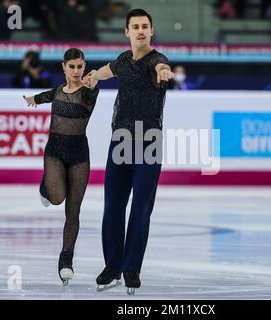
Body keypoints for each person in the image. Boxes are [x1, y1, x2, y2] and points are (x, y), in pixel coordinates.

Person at [82, 8, 174, 295]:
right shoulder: (123, 60)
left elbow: (160, 68)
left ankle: (131, 268)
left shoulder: (157, 60)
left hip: (148, 141)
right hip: (120, 141)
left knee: (141, 207)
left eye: (145, 26)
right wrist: (93, 76)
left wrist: (164, 72)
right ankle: (112, 266)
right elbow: (107, 70)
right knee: (112, 206)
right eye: (135, 26)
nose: (141, 31)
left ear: (151, 30)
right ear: (127, 32)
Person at [22, 48, 99, 285]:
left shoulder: (90, 91)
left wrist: (93, 79)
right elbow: (48, 95)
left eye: (80, 66)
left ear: (84, 67)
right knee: (56, 197)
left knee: (73, 211)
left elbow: (88, 93)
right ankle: (45, 189)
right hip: (54, 151)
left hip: (79, 155)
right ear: (64, 67)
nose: (77, 71)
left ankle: (66, 259)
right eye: (72, 66)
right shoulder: (57, 90)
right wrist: (33, 99)